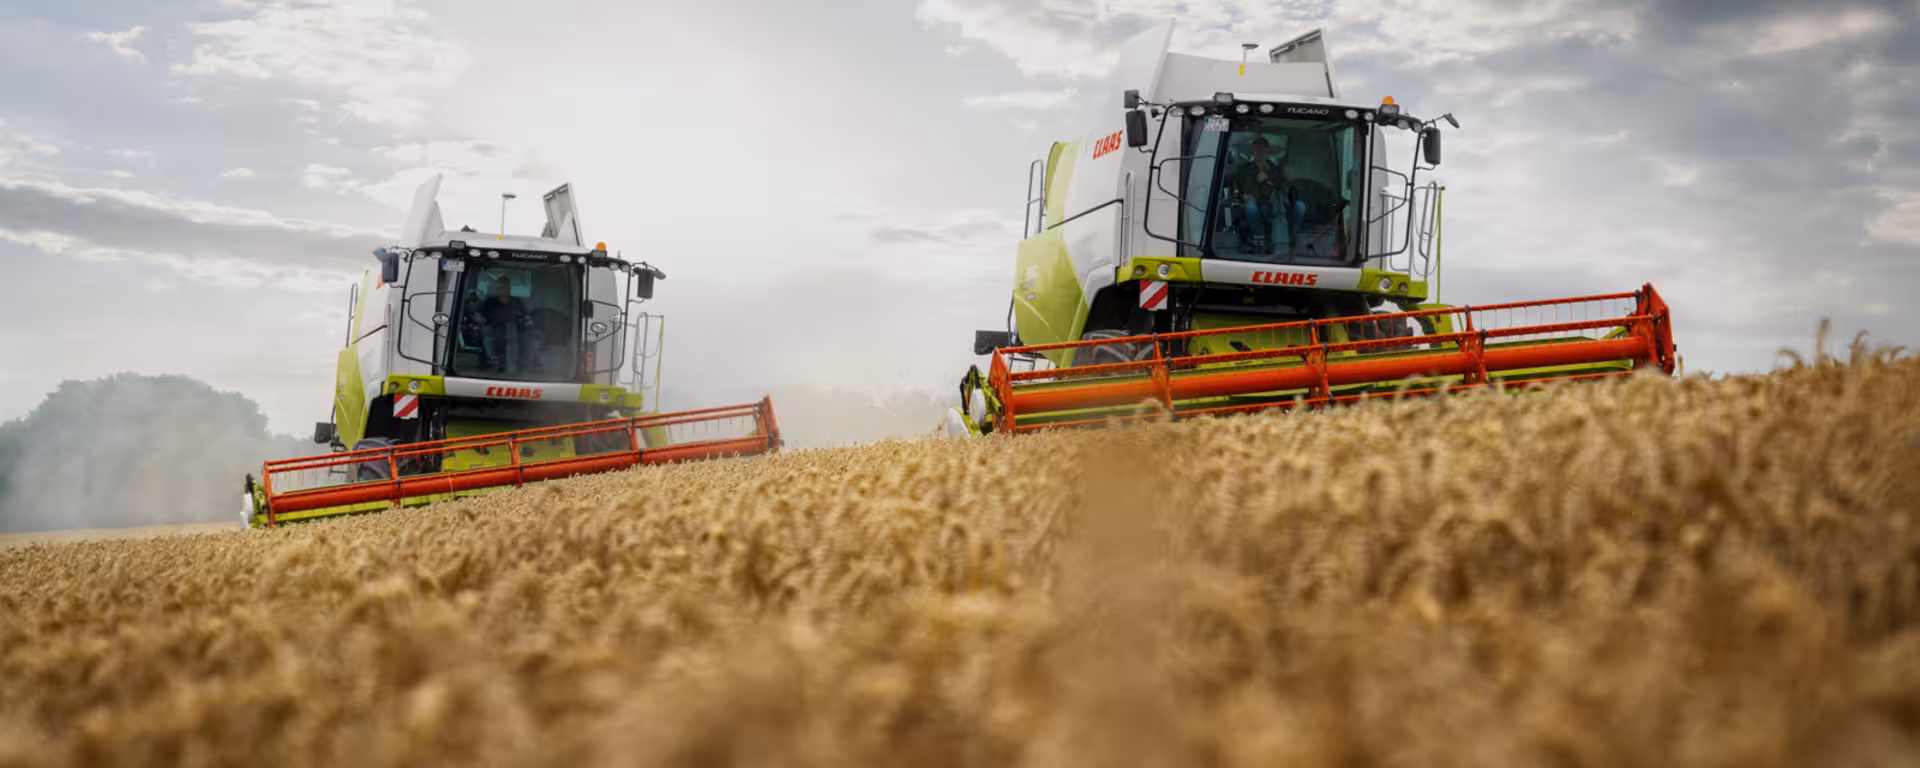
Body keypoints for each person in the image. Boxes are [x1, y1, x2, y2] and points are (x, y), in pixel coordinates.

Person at [1230, 136, 1308, 254]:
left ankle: (1291, 238)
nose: (1259, 151)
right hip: (1258, 204)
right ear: (1253, 150)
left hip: (1277, 203)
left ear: (1267, 150)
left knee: (1300, 207)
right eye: (1257, 148)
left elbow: (1284, 188)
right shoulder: (1244, 170)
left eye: (1262, 148)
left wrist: (1268, 178)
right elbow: (1239, 189)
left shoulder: (1276, 169)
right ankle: (1259, 237)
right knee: (1251, 207)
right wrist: (1243, 196)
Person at [476, 277, 539, 374]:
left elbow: (526, 316)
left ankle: (518, 367)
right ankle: (495, 362)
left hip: (515, 335)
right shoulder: (489, 302)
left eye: (506, 286)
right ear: (496, 289)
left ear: (510, 288)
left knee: (530, 338)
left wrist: (527, 321)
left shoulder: (517, 302)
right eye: (501, 286)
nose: (504, 289)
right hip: (494, 332)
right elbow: (479, 316)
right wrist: (480, 320)